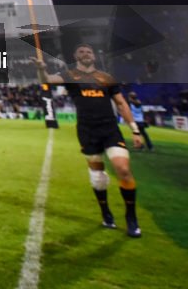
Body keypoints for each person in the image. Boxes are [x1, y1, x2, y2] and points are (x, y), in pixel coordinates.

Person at [37, 44, 144, 238]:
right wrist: (41, 69)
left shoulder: (106, 78)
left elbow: (121, 103)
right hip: (87, 131)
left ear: (93, 56)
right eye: (81, 52)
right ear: (75, 56)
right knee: (98, 177)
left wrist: (135, 130)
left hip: (110, 130)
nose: (85, 54)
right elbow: (47, 80)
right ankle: (106, 213)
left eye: (89, 52)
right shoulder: (70, 75)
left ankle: (131, 217)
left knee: (123, 170)